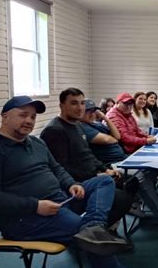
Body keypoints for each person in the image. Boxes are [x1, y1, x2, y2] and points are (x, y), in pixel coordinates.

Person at [0, 96, 137, 268]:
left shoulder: (35, 143)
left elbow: (57, 168)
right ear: (5, 117)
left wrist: (70, 184)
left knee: (104, 182)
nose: (29, 121)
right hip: (23, 218)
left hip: (60, 200)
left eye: (33, 117)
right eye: (23, 115)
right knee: (89, 239)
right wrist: (35, 206)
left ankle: (93, 226)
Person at [40, 88, 138, 229]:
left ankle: (108, 227)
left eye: (82, 103)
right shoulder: (55, 130)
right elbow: (60, 168)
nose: (79, 107)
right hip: (75, 183)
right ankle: (91, 233)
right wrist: (97, 175)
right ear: (61, 106)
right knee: (121, 199)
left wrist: (106, 169)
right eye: (74, 103)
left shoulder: (77, 126)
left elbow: (88, 155)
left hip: (93, 174)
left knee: (131, 181)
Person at [107, 92, 158, 232]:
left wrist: (146, 136)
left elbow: (136, 130)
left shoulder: (128, 115)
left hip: (131, 152)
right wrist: (145, 141)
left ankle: (135, 202)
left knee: (153, 168)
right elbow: (125, 137)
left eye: (130, 103)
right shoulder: (113, 116)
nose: (128, 106)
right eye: (125, 103)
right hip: (120, 158)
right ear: (118, 103)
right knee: (142, 176)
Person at [79, 98, 126, 164]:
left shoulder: (98, 123)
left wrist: (105, 118)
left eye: (93, 111)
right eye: (87, 111)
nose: (92, 114)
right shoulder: (82, 126)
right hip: (110, 162)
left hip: (121, 158)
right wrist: (114, 138)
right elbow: (106, 140)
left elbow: (117, 136)